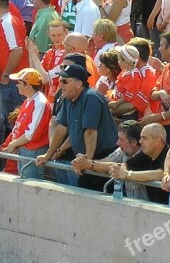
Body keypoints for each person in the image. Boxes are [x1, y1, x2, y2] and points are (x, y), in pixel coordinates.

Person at [36, 61, 118, 190]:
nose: (60, 85)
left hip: (102, 159)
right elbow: (62, 128)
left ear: (79, 83)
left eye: (65, 81)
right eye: (60, 80)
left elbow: (90, 132)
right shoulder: (68, 98)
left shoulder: (91, 97)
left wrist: (87, 161)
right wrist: (48, 154)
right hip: (85, 160)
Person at [0, 68, 51, 180]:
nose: (16, 85)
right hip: (24, 150)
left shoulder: (40, 103)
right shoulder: (29, 100)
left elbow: (30, 134)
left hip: (33, 152)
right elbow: (19, 127)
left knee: (31, 189)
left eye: (18, 82)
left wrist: (13, 144)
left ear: (27, 85)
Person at [107, 124, 170, 205]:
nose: (140, 141)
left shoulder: (168, 153)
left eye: (144, 138)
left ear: (157, 141)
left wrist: (127, 174)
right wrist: (116, 169)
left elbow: (160, 174)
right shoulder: (145, 153)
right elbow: (125, 165)